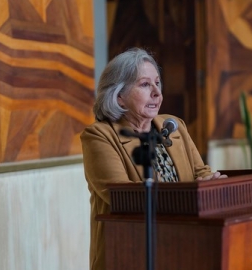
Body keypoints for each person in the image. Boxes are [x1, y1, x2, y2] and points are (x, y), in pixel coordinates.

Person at [80, 47, 227, 270]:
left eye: (158, 83)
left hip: (184, 248)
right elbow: (121, 195)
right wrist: (192, 193)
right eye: (145, 84)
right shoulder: (99, 136)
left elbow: (201, 174)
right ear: (119, 97)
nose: (157, 93)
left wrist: (213, 183)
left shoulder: (173, 127)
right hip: (128, 252)